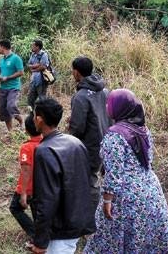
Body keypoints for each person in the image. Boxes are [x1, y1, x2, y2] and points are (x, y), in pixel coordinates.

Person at [84, 89, 168, 253]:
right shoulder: (143, 129)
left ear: (118, 108)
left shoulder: (114, 136)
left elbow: (114, 174)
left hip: (126, 196)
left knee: (113, 238)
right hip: (150, 190)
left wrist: (107, 201)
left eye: (109, 103)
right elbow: (148, 160)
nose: (106, 106)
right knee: (147, 235)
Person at [28, 97, 94, 253]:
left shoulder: (44, 151)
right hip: (77, 222)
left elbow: (47, 199)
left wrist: (41, 242)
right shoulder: (75, 143)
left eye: (34, 116)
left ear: (39, 119)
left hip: (60, 229)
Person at [68, 56, 112, 220]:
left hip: (90, 146)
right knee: (106, 180)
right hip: (107, 141)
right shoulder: (105, 91)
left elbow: (77, 128)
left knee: (91, 181)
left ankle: (92, 221)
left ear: (76, 72)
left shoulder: (80, 96)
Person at [9, 113, 42, 241]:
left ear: (27, 130)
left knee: (15, 208)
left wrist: (23, 193)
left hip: (28, 188)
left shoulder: (27, 147)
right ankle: (41, 237)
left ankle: (35, 235)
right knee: (37, 214)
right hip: (42, 188)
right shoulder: (46, 142)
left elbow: (26, 170)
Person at [0, 39, 24, 131]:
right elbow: (1, 73)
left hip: (13, 87)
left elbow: (21, 72)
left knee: (11, 106)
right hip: (3, 88)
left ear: (3, 47)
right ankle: (10, 131)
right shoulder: (1, 60)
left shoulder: (16, 58)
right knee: (3, 110)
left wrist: (7, 78)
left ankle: (21, 122)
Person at [27, 40, 50, 110]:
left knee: (42, 99)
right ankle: (32, 115)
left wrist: (33, 69)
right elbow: (28, 65)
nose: (32, 47)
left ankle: (44, 116)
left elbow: (44, 66)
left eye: (33, 45)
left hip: (42, 80)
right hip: (33, 80)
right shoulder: (33, 54)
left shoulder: (44, 54)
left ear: (37, 47)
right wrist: (37, 64)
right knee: (30, 99)